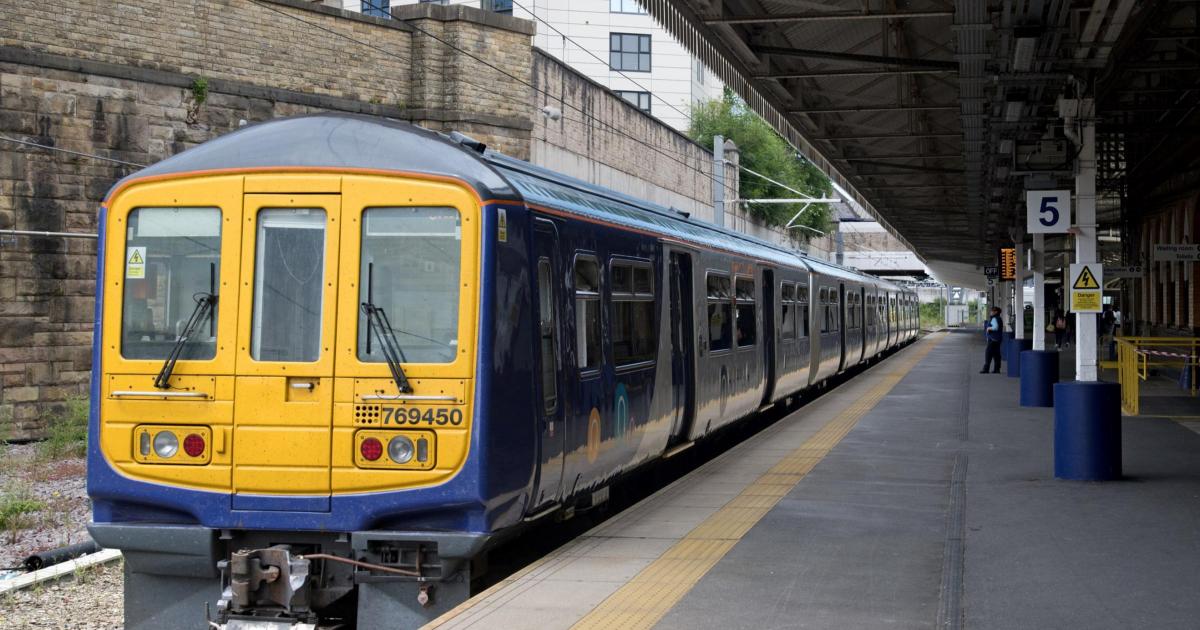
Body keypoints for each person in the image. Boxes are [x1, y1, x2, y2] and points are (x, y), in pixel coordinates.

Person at [981, 306, 1003, 374]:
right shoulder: (999, 318)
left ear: (996, 312)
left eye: (992, 311)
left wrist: (988, 328)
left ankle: (986, 369)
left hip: (993, 339)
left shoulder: (994, 319)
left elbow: (995, 327)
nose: (991, 312)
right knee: (996, 354)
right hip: (997, 339)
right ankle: (997, 369)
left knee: (988, 354)